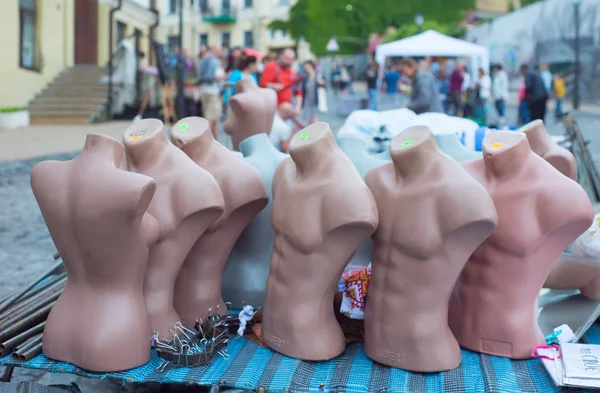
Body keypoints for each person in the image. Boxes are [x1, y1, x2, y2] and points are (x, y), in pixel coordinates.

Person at [259, 48, 303, 115]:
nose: (288, 61)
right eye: (286, 58)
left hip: (287, 108)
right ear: (281, 56)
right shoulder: (272, 66)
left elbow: (298, 91)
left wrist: (298, 107)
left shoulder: (292, 71)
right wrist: (273, 85)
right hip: (273, 108)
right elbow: (262, 85)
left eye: (291, 59)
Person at [197, 46, 225, 138]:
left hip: (203, 90)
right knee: (212, 117)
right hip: (213, 90)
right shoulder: (215, 61)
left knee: (207, 115)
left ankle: (211, 140)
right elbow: (218, 76)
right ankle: (209, 140)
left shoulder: (202, 60)